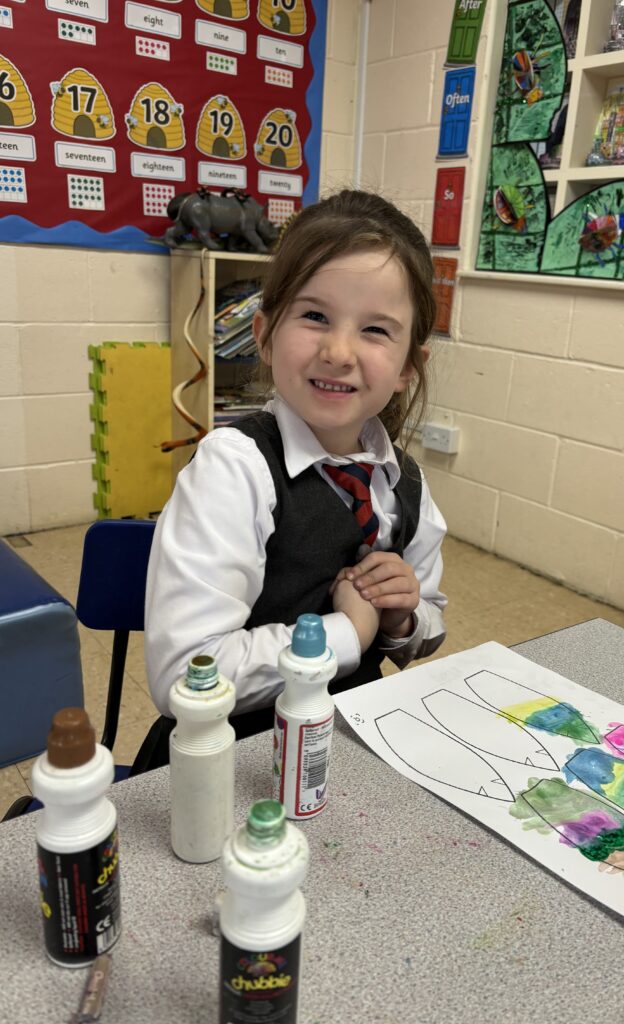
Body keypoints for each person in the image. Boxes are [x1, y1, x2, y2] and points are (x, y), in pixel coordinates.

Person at [140, 190, 447, 767]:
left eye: (376, 330)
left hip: (355, 743)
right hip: (231, 753)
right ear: (263, 334)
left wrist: (403, 616)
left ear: (409, 366)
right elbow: (183, 676)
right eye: (314, 317)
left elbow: (429, 621)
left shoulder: (405, 484)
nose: (338, 351)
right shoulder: (234, 468)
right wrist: (348, 633)